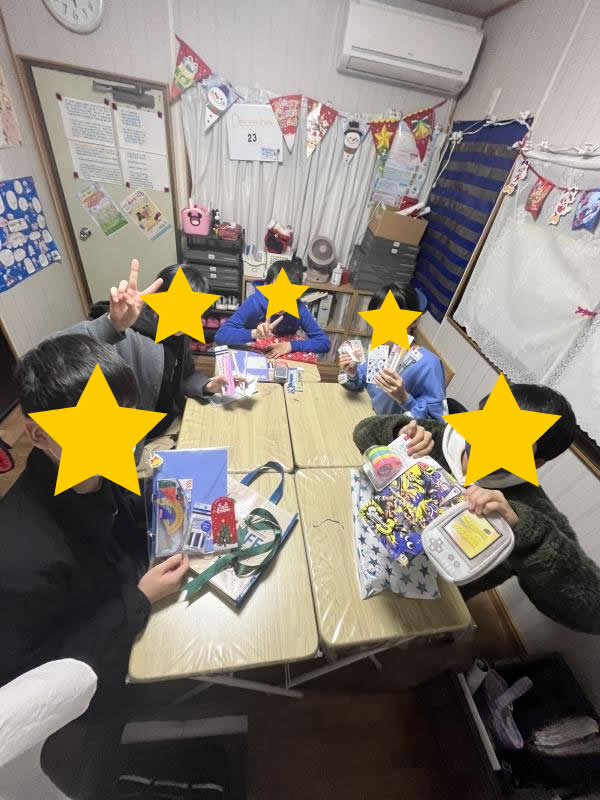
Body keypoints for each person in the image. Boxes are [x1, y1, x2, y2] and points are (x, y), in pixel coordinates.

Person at [0, 334, 190, 708]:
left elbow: (120, 509)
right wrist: (140, 598)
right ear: (38, 434)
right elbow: (38, 675)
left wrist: (171, 498)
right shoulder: (24, 558)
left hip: (132, 588)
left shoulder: (93, 469)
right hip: (101, 675)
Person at [352, 384, 600, 634]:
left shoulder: (529, 508)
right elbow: (363, 432)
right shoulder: (439, 437)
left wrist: (525, 530)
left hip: (431, 604)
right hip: (368, 546)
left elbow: (592, 611)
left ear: (537, 462)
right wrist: (399, 433)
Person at [63, 260, 242, 440]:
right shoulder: (128, 334)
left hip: (168, 421)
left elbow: (186, 376)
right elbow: (69, 352)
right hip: (138, 437)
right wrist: (111, 325)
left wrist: (207, 385)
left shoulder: (179, 333)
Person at [339, 283, 447, 420]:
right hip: (367, 418)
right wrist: (352, 373)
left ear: (414, 321)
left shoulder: (429, 364)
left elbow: (436, 424)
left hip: (396, 430)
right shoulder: (381, 349)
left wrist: (404, 398)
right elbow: (361, 384)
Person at [215, 257, 330, 358]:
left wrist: (290, 345)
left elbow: (324, 343)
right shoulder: (254, 302)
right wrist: (255, 333)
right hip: (252, 353)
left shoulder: (299, 308)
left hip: (282, 356)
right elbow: (220, 336)